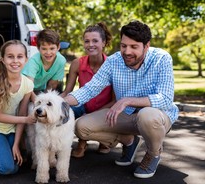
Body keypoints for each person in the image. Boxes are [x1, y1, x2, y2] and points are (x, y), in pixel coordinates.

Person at [64, 20, 179, 178]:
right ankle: (129, 142)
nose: (127, 51)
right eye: (124, 45)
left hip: (155, 118)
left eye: (134, 47)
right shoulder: (113, 61)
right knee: (81, 127)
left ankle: (153, 153)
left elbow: (165, 99)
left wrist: (127, 100)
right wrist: (60, 102)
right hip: (125, 116)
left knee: (147, 115)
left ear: (146, 46)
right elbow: (90, 89)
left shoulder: (161, 59)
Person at [0, 40, 37, 175]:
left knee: (18, 165)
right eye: (10, 56)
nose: (15, 61)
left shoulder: (27, 84)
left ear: (26, 59)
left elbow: (21, 114)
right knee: (7, 168)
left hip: (12, 127)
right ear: (3, 59)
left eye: (19, 56)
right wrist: (26, 120)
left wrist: (16, 144)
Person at [60, 23, 115, 157]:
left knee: (99, 123)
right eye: (87, 41)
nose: (90, 44)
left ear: (104, 43)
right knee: (63, 111)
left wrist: (93, 115)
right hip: (84, 105)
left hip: (105, 108)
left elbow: (114, 100)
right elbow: (68, 92)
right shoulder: (77, 63)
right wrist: (54, 103)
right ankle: (62, 146)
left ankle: (97, 140)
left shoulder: (113, 65)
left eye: (95, 41)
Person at [22, 29, 66, 98]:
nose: (48, 53)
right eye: (44, 49)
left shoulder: (61, 61)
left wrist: (45, 101)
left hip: (39, 90)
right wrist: (37, 102)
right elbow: (28, 87)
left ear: (58, 47)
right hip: (23, 89)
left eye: (52, 48)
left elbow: (52, 85)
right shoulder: (34, 62)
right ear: (38, 48)